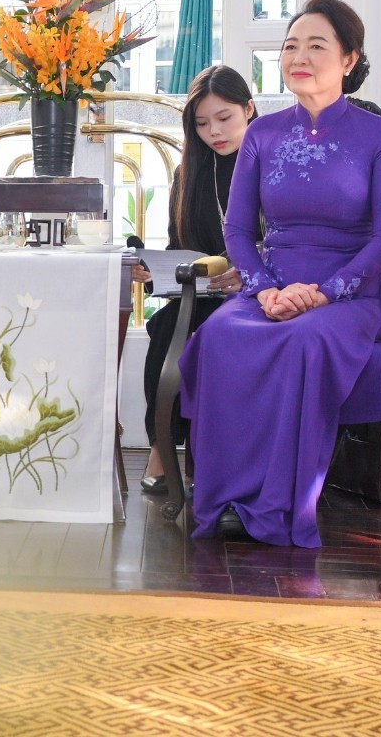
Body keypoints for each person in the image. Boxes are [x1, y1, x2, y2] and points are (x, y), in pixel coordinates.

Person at [178, 0, 381, 547]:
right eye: (291, 45)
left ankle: (277, 505)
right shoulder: (264, 135)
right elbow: (239, 233)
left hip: (351, 293)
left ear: (348, 59)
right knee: (219, 336)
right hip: (272, 285)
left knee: (304, 341)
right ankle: (224, 500)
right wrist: (266, 290)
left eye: (317, 45)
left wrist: (323, 293)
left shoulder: (380, 137)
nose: (300, 55)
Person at [133, 64, 255, 493]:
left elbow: (291, 241)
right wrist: (153, 270)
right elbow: (177, 246)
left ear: (249, 110)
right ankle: (161, 447)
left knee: (191, 331)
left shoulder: (271, 166)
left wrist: (248, 274)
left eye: (224, 119)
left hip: (256, 292)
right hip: (202, 292)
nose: (214, 132)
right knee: (166, 326)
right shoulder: (189, 175)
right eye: (201, 124)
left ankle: (191, 455)